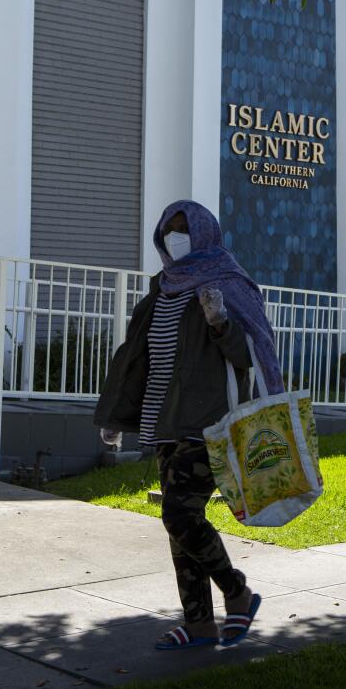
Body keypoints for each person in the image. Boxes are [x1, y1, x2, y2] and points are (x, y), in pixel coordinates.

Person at [95, 200, 283, 650]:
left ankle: (236, 592)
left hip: (207, 422)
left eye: (185, 229)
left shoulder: (227, 282)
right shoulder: (163, 287)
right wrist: (117, 417)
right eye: (170, 231)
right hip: (164, 420)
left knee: (178, 513)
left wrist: (219, 321)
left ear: (204, 233)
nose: (177, 238)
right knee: (182, 523)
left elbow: (248, 356)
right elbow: (137, 357)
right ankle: (199, 623)